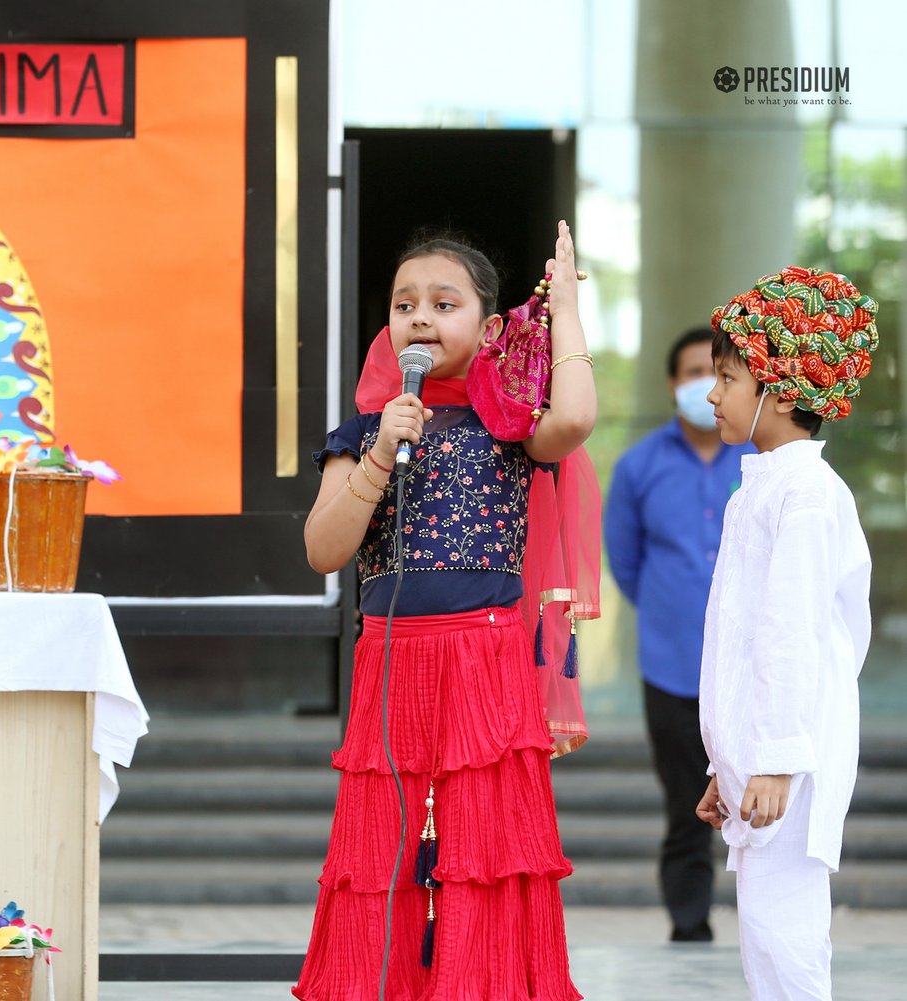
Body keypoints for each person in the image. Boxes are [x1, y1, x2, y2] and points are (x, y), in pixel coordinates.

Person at [294, 222, 595, 1001]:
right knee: (383, 850)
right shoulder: (365, 433)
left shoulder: (510, 427)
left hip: (486, 663)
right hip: (392, 660)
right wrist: (377, 457)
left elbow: (577, 420)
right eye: (404, 304)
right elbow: (324, 551)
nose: (419, 317)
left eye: (443, 302)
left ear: (489, 327)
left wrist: (565, 310)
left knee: (486, 849)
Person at [695, 266, 877, 1000]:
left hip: (792, 752)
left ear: (780, 385)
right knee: (766, 936)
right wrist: (725, 760)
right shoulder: (765, 485)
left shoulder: (805, 493)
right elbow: (745, 639)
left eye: (729, 377)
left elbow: (795, 634)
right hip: (768, 749)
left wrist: (774, 759)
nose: (713, 394)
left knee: (788, 937)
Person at [604, 327, 752, 942]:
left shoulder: (757, 459)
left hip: (750, 666)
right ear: (672, 384)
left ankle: (762, 921)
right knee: (686, 804)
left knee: (759, 796)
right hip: (672, 663)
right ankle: (690, 923)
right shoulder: (640, 465)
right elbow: (625, 559)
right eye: (693, 372)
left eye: (717, 373)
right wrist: (671, 608)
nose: (705, 386)